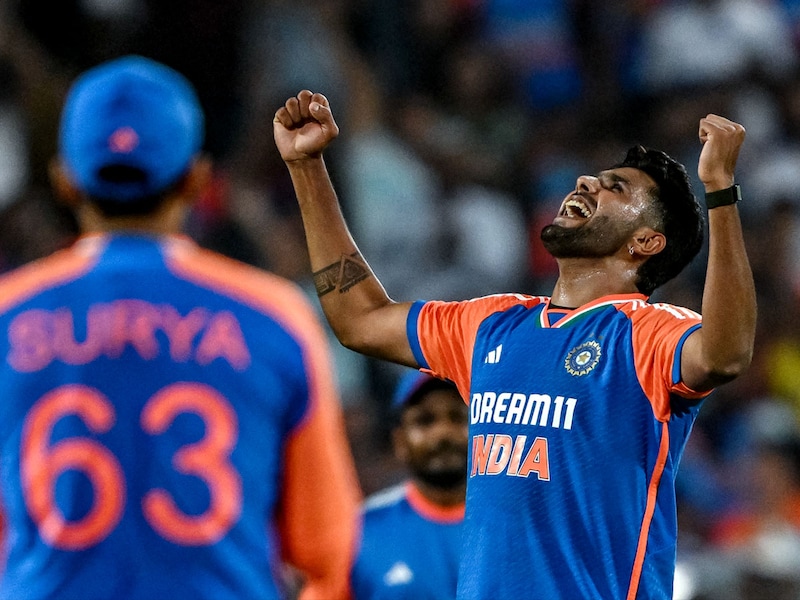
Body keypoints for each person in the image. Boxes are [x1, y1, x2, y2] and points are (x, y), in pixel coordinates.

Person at [273, 89, 757, 599]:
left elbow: (724, 354)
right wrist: (307, 167)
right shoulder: (494, 324)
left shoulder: (644, 333)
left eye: (615, 186)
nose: (586, 180)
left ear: (645, 242)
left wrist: (720, 191)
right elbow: (361, 320)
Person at [0, 57, 361, 600]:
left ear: (65, 181)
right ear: (196, 179)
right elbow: (330, 556)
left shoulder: (8, 316)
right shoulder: (276, 319)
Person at [351, 370, 467, 600]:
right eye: (425, 420)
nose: (443, 433)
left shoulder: (515, 524)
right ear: (400, 441)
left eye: (457, 417)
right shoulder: (358, 531)